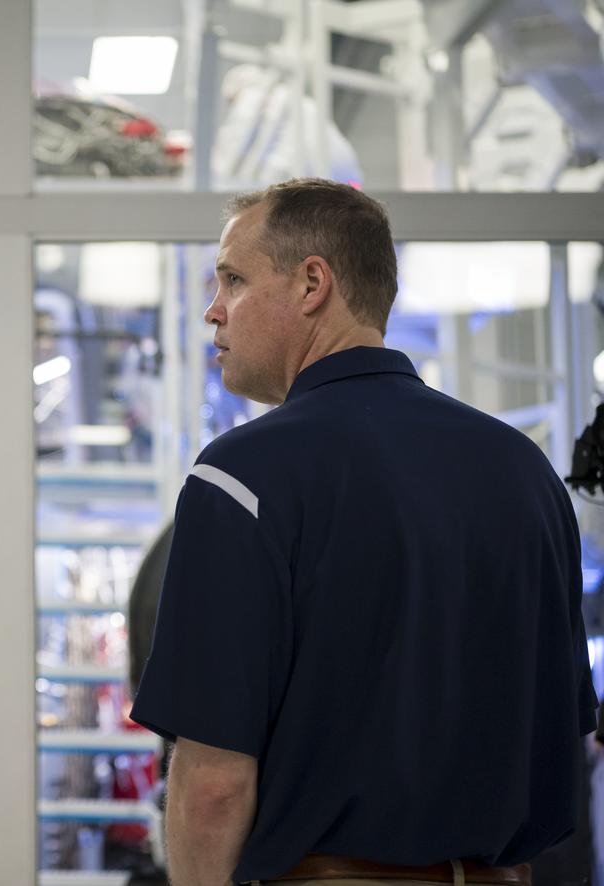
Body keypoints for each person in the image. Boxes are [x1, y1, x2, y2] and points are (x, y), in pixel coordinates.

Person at [130, 178, 597, 886]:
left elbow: (215, 781)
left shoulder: (243, 476)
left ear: (312, 283)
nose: (213, 309)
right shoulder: (525, 473)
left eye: (234, 279)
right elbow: (564, 739)